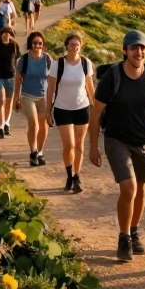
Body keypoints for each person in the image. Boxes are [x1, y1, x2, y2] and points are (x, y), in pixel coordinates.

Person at [89, 30, 145, 262]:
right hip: (117, 140)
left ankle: (134, 231)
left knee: (142, 188)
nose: (139, 52)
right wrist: (93, 146)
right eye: (134, 48)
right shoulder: (113, 76)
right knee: (129, 188)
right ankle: (124, 237)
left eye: (143, 48)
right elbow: (95, 113)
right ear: (125, 51)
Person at [46, 30, 95, 193]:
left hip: (82, 107)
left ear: (81, 46)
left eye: (77, 44)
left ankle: (76, 177)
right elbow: (50, 89)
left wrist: (95, 107)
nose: (74, 47)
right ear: (66, 46)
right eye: (72, 44)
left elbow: (90, 87)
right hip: (62, 108)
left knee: (80, 146)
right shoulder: (57, 64)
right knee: (69, 145)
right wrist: (48, 110)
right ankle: (69, 175)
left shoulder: (86, 63)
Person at [13, 31, 52, 166]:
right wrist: (16, 97)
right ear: (30, 44)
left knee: (44, 126)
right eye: (35, 43)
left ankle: (40, 152)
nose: (37, 45)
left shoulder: (48, 59)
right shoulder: (23, 60)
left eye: (40, 43)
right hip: (27, 96)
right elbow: (18, 79)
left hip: (44, 97)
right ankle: (33, 151)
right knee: (34, 124)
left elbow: (52, 80)